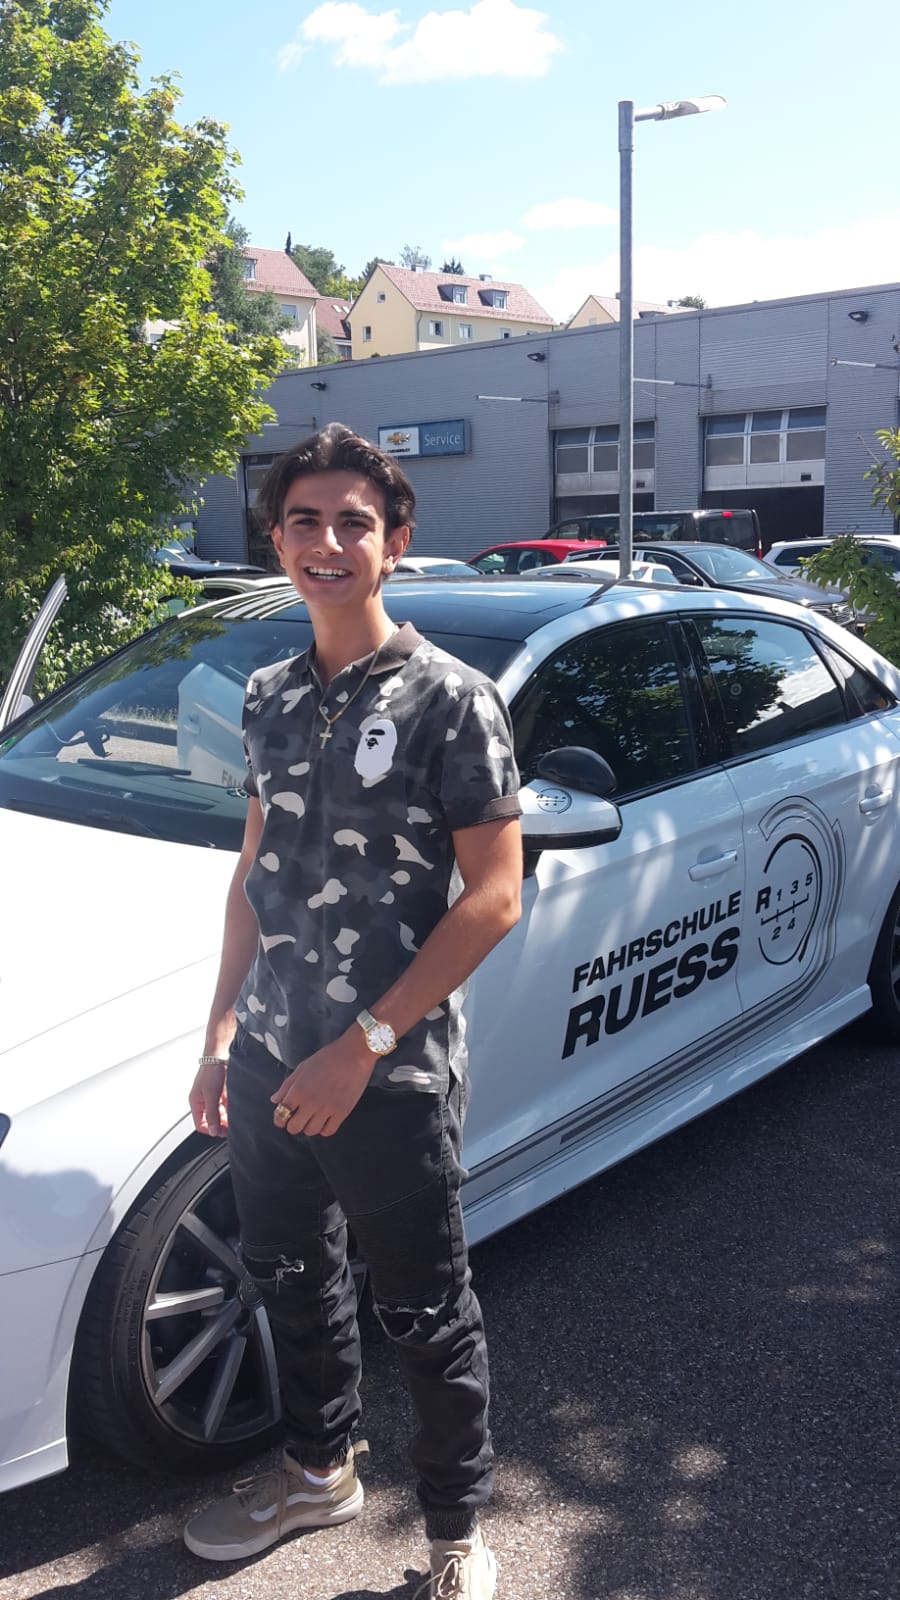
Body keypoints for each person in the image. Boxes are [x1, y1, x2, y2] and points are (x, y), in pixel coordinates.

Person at [184, 424, 523, 1599]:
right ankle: (318, 1470)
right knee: (290, 1276)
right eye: (303, 521)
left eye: (352, 523)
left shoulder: (453, 701)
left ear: (395, 542)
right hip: (272, 1054)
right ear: (276, 539)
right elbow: (254, 873)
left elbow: (495, 896)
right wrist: (220, 1035)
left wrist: (361, 1047)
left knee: (423, 1309)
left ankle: (457, 1536)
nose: (325, 542)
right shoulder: (270, 695)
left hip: (391, 1070)